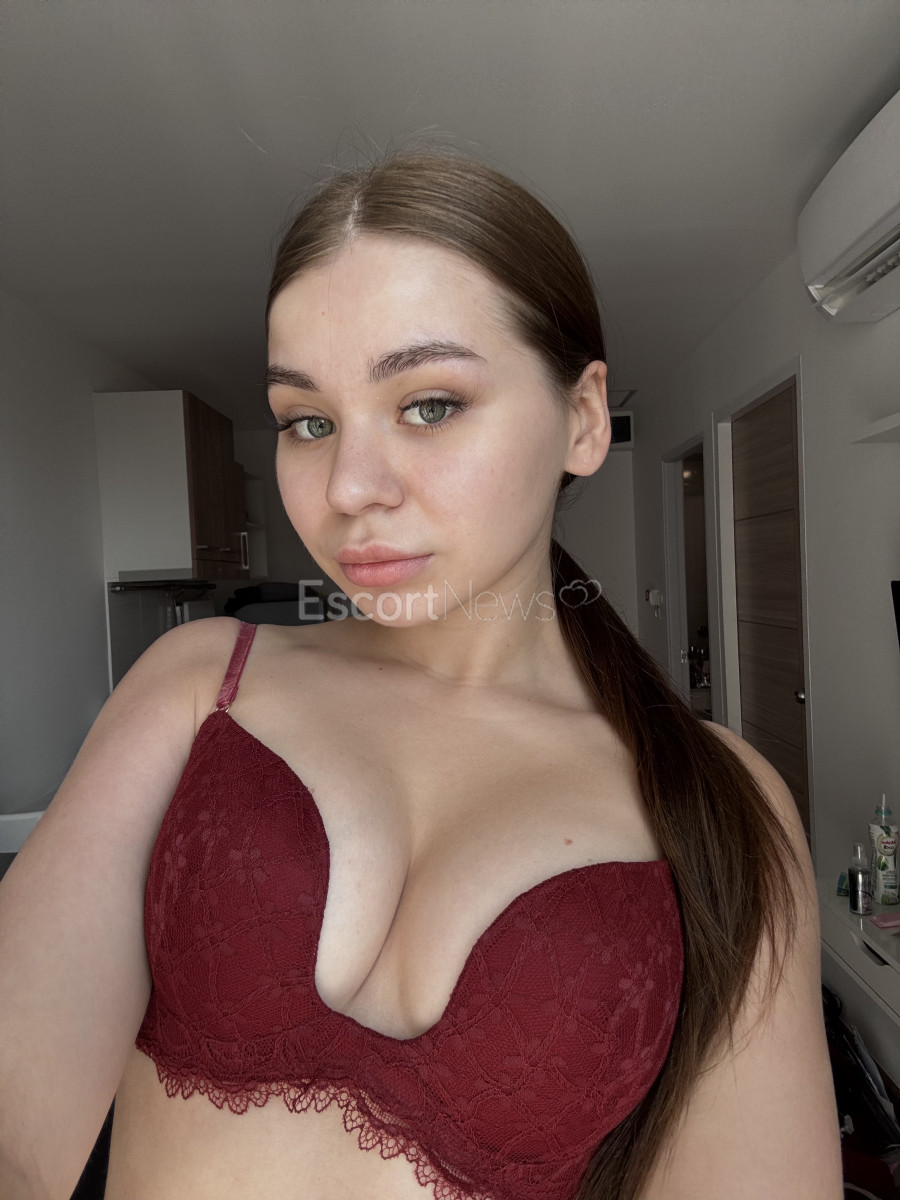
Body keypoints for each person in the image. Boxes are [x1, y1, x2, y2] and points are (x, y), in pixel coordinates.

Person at [0, 147, 843, 1200]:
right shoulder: (205, 685)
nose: (349, 487)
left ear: (584, 420)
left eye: (430, 403)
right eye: (309, 422)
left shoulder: (717, 804)